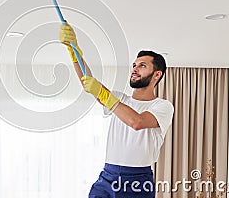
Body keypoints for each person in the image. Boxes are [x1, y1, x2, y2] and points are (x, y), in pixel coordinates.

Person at [59, 23, 174, 198]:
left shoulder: (162, 106)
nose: (134, 69)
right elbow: (87, 81)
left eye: (142, 66)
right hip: (107, 175)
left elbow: (137, 122)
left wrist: (104, 95)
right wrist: (74, 50)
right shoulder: (121, 99)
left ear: (157, 75)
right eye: (134, 65)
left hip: (137, 181)